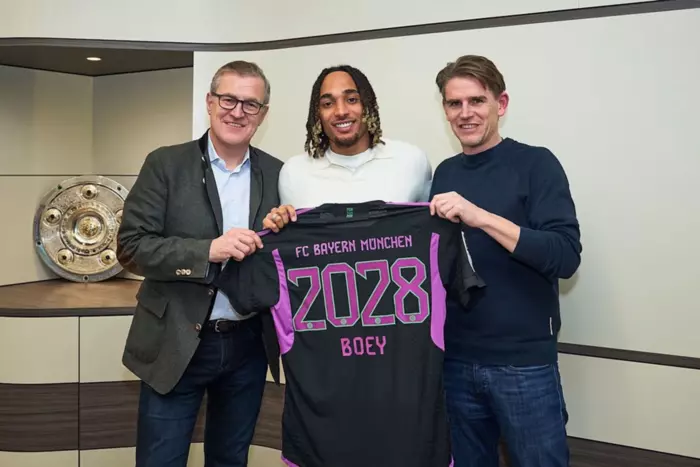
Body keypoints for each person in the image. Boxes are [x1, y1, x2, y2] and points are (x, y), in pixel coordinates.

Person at [117, 60, 283, 467]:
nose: (237, 112)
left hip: (248, 345)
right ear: (210, 102)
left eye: (250, 104)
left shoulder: (279, 174)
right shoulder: (165, 165)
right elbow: (131, 247)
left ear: (262, 114)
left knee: (230, 459)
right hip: (175, 340)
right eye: (228, 100)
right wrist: (206, 250)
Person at [429, 54, 582, 467]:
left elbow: (565, 256)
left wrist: (479, 216)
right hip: (455, 360)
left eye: (477, 101)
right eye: (455, 103)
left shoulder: (536, 164)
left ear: (501, 103)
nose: (465, 113)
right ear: (445, 109)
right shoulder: (443, 174)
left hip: (523, 364)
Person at [263, 64, 432, 231]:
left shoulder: (411, 161)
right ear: (318, 114)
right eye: (328, 104)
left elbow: (429, 230)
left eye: (352, 100)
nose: (341, 111)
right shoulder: (294, 172)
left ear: (368, 105)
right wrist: (275, 226)